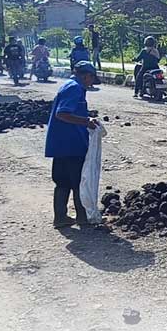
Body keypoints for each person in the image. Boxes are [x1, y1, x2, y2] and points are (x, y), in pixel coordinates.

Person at [45, 61, 100, 228]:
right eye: (91, 79)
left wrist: (85, 115)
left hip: (60, 144)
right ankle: (82, 217)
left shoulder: (70, 85)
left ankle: (60, 217)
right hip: (71, 144)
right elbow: (62, 113)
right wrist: (86, 121)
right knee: (77, 181)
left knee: (62, 181)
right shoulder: (74, 88)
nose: (91, 83)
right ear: (86, 75)